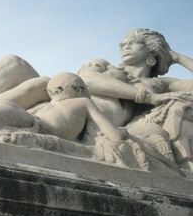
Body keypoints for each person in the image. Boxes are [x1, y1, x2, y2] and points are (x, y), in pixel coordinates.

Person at [77, 29, 193, 163]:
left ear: (152, 49)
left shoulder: (161, 84)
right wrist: (148, 97)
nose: (125, 46)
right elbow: (86, 80)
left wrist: (176, 57)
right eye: (122, 44)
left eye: (134, 42)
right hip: (81, 115)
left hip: (117, 128)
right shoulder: (105, 66)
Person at [0, 72, 125, 143]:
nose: (53, 96)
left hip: (42, 127)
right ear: (79, 89)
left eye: (55, 91)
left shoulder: (83, 102)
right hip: (35, 122)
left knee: (8, 110)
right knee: (4, 105)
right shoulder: (54, 105)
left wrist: (121, 133)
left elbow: (113, 134)